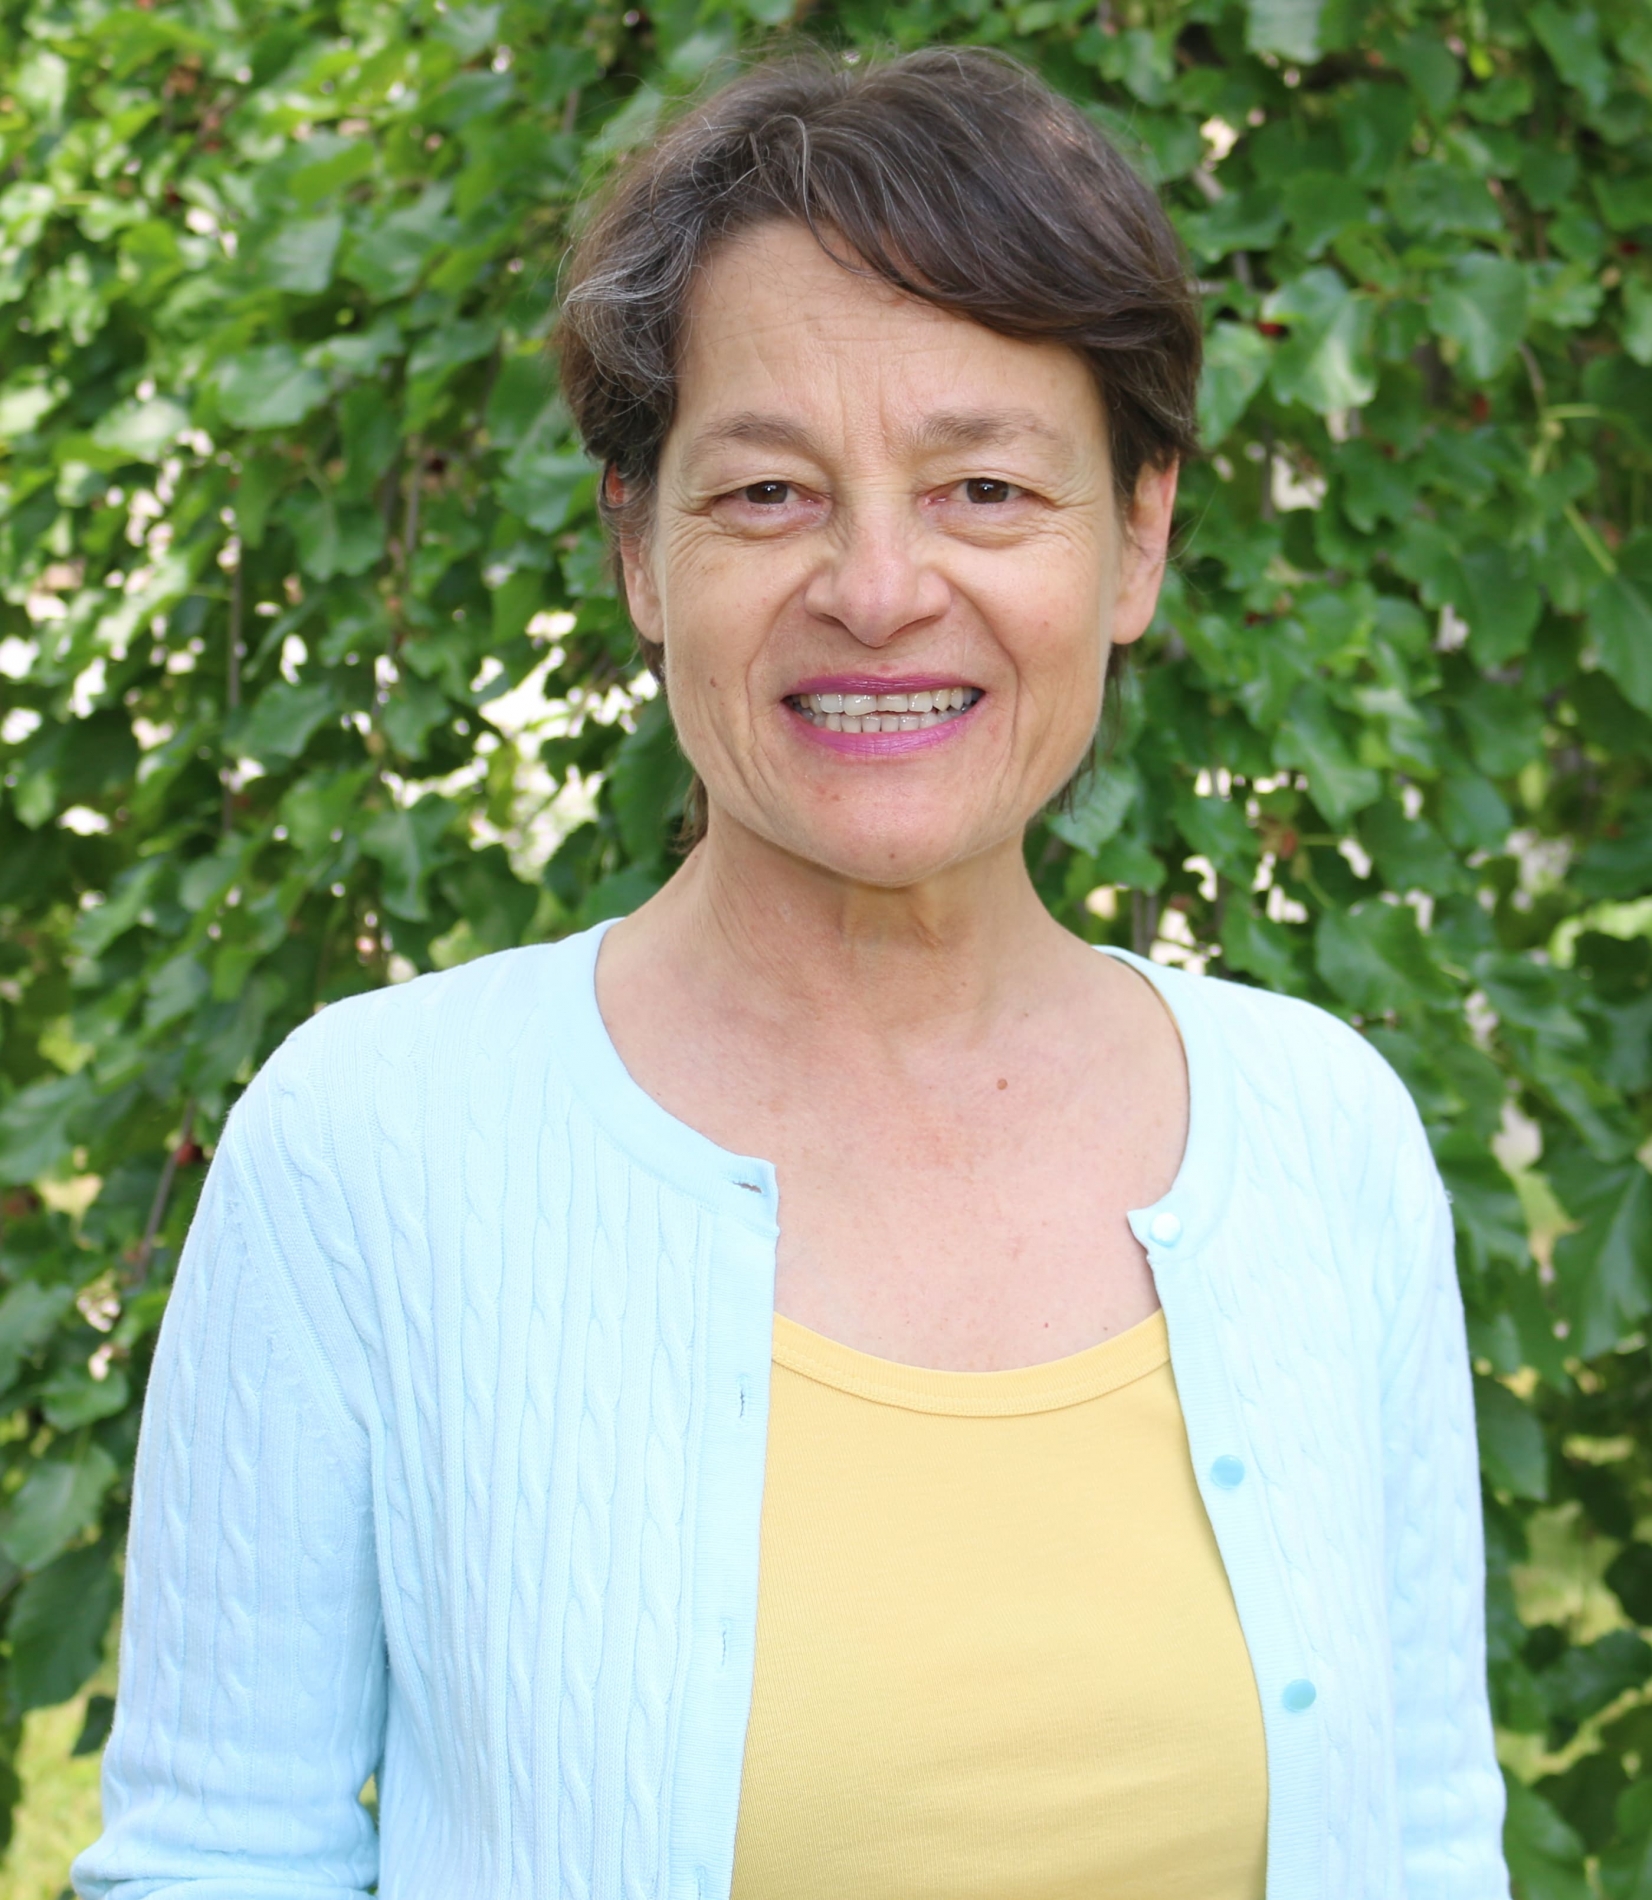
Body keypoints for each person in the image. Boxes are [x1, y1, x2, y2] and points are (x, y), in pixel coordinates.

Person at [75, 45, 1509, 1900]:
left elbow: (1427, 1845)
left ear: (1139, 537)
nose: (879, 588)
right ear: (638, 551)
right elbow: (214, 1866)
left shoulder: (1326, 1137)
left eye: (984, 487)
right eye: (767, 495)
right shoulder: (367, 1150)